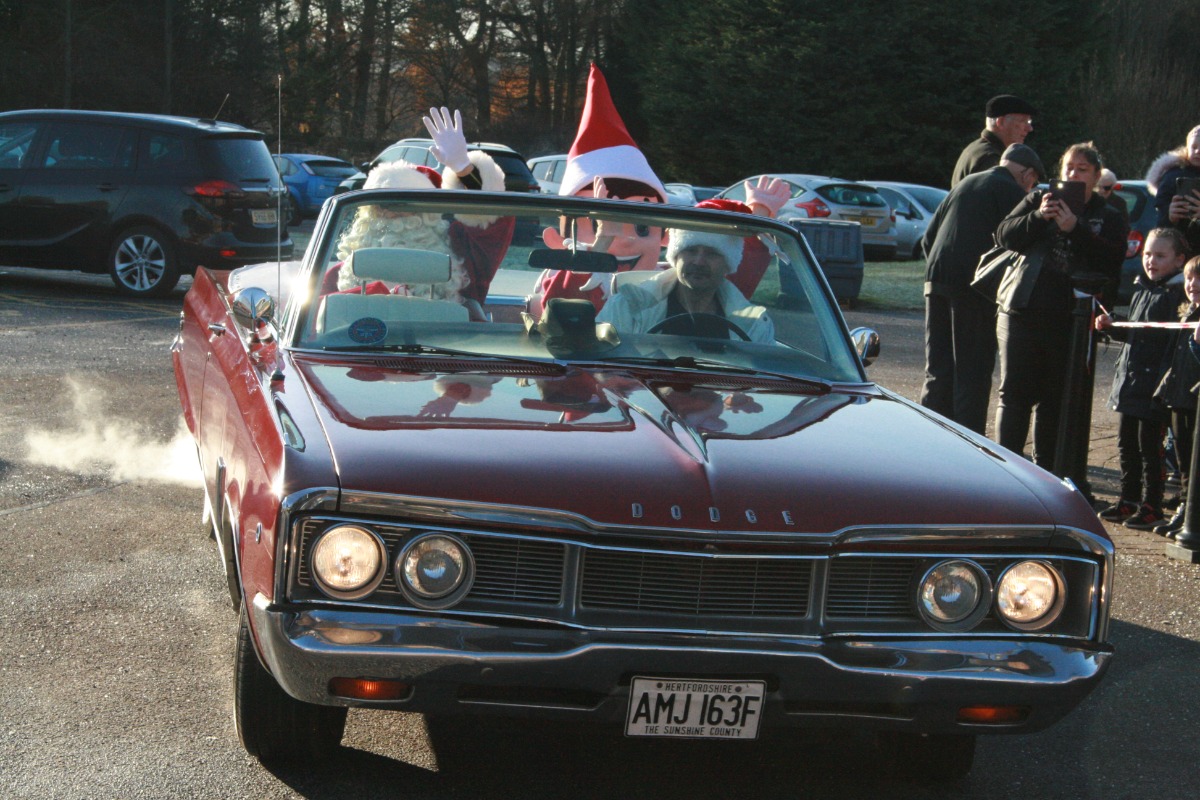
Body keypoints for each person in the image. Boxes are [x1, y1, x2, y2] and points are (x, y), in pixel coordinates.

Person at [529, 65, 787, 315]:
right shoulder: (560, 278)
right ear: (560, 237)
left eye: (643, 228)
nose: (626, 238)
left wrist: (756, 220)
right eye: (595, 224)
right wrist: (601, 241)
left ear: (665, 237)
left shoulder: (675, 282)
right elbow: (560, 313)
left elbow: (727, 283)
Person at [991, 141, 1128, 473]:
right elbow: (1003, 235)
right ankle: (1004, 471)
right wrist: (1040, 217)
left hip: (1072, 319)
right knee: (1014, 395)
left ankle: (1046, 474)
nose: (1073, 174)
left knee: (1054, 402)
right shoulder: (1040, 198)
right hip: (1023, 309)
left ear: (1096, 176)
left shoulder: (1108, 215)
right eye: (1069, 168)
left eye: (1082, 169)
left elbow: (1112, 262)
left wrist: (1074, 230)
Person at [326, 107, 514, 308]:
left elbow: (493, 221)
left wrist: (464, 170)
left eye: (404, 204)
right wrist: (379, 292)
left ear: (426, 213)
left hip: (443, 339)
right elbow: (314, 321)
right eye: (381, 204)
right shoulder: (342, 273)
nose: (389, 212)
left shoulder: (459, 255)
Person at [919, 142, 1045, 434]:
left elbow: (929, 237)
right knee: (971, 372)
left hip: (936, 280)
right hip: (974, 289)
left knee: (937, 369)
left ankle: (927, 436)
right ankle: (968, 441)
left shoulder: (965, 184)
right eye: (1033, 183)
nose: (1031, 189)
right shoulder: (1011, 193)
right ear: (1027, 175)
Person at [1094, 227, 1188, 529]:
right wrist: (1113, 325)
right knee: (1126, 445)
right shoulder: (1143, 287)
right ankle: (1129, 497)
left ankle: (1152, 503)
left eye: (1160, 256)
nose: (1151, 261)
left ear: (1179, 260)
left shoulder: (1176, 296)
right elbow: (1138, 329)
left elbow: (1168, 342)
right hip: (1130, 381)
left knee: (1150, 448)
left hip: (1152, 387)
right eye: (1147, 254)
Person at [597, 222, 774, 344]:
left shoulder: (753, 324)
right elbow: (601, 368)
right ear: (676, 256)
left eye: (711, 253)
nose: (698, 261)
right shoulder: (628, 306)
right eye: (690, 250)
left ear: (727, 264)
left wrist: (740, 399)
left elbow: (764, 382)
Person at [1149, 254, 1200, 536]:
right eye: (1189, 278)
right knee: (1181, 458)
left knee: (1194, 459)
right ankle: (1184, 507)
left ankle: (1193, 513)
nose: (1192, 284)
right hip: (1179, 397)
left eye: (1198, 278)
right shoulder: (1187, 312)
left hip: (1195, 399)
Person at [951, 94, 1036, 187]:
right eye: (1023, 121)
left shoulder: (977, 149)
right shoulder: (990, 158)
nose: (1029, 128)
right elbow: (999, 198)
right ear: (1000, 122)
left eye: (1029, 121)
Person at [1147, 125, 1200, 254]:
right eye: (1194, 147)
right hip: (1178, 250)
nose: (1198, 151)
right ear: (1187, 148)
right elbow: (1160, 223)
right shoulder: (1171, 175)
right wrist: (1169, 216)